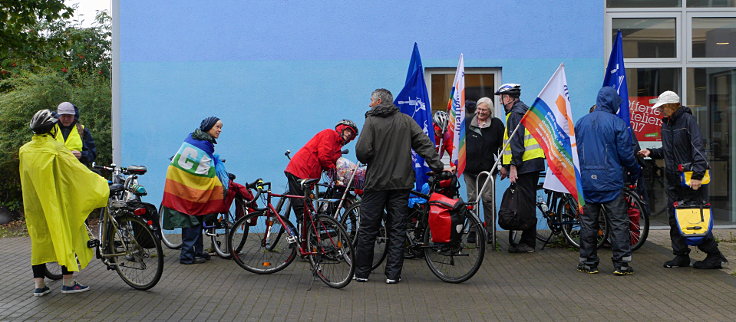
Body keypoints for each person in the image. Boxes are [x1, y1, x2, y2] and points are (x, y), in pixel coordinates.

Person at [355, 88, 444, 284]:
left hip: (376, 184)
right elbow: (424, 143)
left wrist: (372, 156)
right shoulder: (406, 121)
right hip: (401, 184)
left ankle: (362, 273)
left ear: (378, 101)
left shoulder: (371, 121)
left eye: (371, 100)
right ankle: (393, 275)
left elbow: (362, 152)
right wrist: (437, 165)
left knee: (368, 228)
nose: (369, 103)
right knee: (397, 229)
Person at [20, 109, 109, 296]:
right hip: (58, 203)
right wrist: (102, 184)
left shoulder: (25, 150)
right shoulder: (56, 149)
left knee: (39, 240)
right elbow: (78, 173)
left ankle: (39, 286)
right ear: (52, 129)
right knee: (66, 237)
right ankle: (68, 283)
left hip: (35, 204)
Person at [639, 91, 728, 269]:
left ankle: (714, 255)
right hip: (673, 179)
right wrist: (652, 152)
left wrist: (697, 176)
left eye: (663, 108)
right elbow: (669, 150)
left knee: (693, 218)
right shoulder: (667, 124)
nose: (660, 111)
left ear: (672, 106)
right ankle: (680, 256)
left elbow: (698, 148)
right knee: (675, 218)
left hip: (689, 180)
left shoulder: (688, 122)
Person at [575, 86, 641, 275]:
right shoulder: (617, 124)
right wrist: (635, 171)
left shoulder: (581, 123)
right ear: (613, 103)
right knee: (619, 223)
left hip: (587, 182)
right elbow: (627, 155)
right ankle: (621, 264)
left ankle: (588, 262)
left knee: (588, 223)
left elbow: (575, 152)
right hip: (611, 182)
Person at [161, 116, 230, 265]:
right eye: (217, 127)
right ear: (208, 127)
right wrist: (218, 184)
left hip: (180, 180)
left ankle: (198, 252)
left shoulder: (196, 138)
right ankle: (186, 256)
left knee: (197, 215)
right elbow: (203, 170)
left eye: (221, 127)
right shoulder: (202, 143)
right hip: (184, 183)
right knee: (192, 218)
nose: (220, 130)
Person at [496, 83, 545, 253]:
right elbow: (511, 144)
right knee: (527, 202)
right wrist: (506, 165)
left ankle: (528, 242)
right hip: (530, 163)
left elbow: (517, 143)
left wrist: (514, 167)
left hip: (526, 164)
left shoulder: (516, 114)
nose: (501, 102)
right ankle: (527, 240)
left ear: (508, 98)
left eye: (501, 98)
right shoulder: (522, 111)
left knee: (525, 204)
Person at [284, 120, 358, 228]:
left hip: (308, 175)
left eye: (352, 134)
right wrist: (333, 172)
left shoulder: (337, 147)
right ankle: (304, 239)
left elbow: (336, 164)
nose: (349, 134)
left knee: (307, 208)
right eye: (348, 131)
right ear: (341, 129)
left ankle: (309, 237)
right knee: (302, 208)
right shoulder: (329, 134)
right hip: (299, 170)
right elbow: (324, 157)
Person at [464, 97, 504, 240]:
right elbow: (460, 144)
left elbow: (503, 147)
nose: (480, 112)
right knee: (472, 200)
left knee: (487, 200)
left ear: (490, 111)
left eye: (484, 110)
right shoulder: (468, 122)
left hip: (488, 169)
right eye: (479, 109)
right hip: (469, 169)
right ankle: (473, 231)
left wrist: (504, 166)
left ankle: (490, 231)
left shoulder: (497, 125)